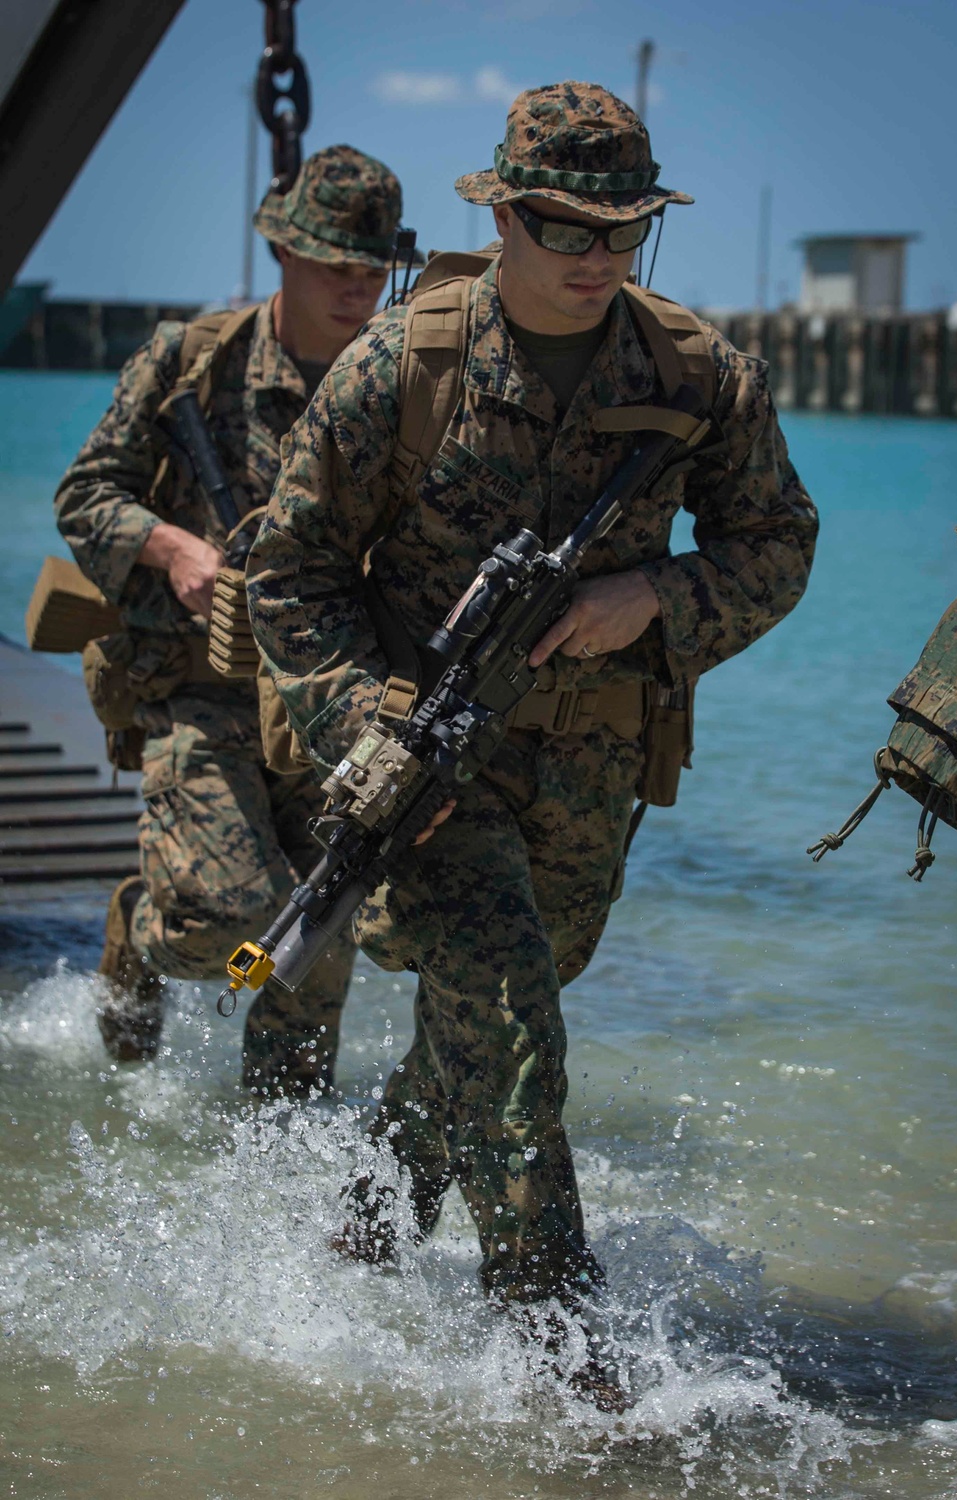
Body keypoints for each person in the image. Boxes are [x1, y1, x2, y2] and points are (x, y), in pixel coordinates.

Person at [246, 82, 818, 1380]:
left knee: (492, 1015)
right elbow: (288, 572)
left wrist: (653, 597)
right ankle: (563, 1366)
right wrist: (368, 733)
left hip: (591, 781)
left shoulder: (697, 372)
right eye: (568, 228)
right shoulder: (402, 364)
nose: (600, 258)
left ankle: (368, 1226)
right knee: (508, 1026)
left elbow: (778, 544)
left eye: (627, 228)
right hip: (427, 771)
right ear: (502, 214)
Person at [55, 145, 417, 1097]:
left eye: (372, 270)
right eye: (337, 266)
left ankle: (273, 1157)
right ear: (285, 255)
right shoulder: (191, 362)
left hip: (322, 700)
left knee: (308, 938)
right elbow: (87, 496)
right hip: (200, 690)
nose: (356, 288)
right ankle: (141, 923)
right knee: (224, 923)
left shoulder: (392, 385)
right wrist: (173, 550)